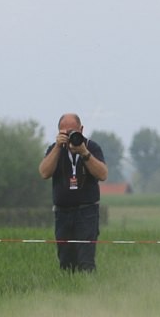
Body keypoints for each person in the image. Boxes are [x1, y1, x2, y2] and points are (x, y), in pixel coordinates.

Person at [38, 113, 108, 272]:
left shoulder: (92, 147)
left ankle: (88, 293)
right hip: (62, 213)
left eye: (73, 132)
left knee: (86, 261)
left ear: (81, 130)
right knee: (65, 260)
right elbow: (44, 173)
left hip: (87, 212)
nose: (70, 136)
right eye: (65, 132)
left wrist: (84, 153)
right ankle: (69, 291)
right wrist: (57, 147)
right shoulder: (54, 149)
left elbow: (103, 174)